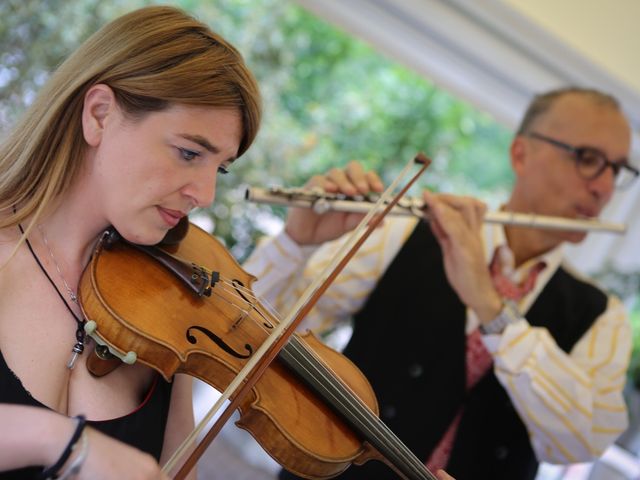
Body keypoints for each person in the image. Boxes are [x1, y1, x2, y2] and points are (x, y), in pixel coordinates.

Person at [244, 87, 636, 479]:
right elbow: (252, 328)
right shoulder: (405, 234)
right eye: (588, 159)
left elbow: (579, 442)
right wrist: (296, 243)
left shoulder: (604, 317)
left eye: (616, 169)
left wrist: (491, 308)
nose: (603, 187)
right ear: (522, 154)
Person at [0, 6, 261, 479]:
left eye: (218, 168)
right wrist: (58, 440)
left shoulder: (168, 316)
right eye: (189, 153)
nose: (204, 194)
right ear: (100, 115)